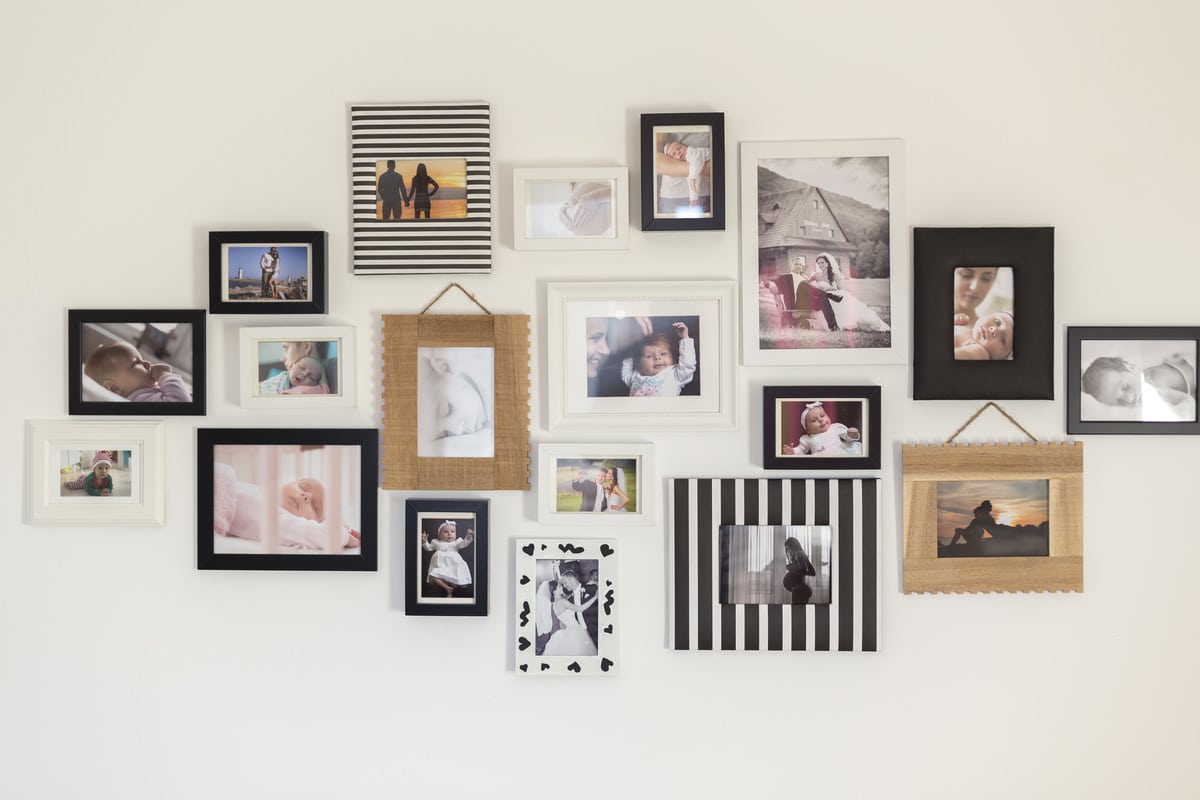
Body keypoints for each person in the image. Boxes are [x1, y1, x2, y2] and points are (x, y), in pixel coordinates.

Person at [212, 463, 361, 551]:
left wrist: (344, 537)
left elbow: (315, 533)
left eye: (315, 507)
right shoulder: (262, 493)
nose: (306, 496)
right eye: (302, 487)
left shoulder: (280, 519)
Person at [1081, 353, 1196, 416]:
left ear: (1130, 366)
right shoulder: (1148, 396)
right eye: (1119, 402)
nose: (1128, 399)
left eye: (1125, 387)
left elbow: (1189, 405)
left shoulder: (1155, 381)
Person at [83, 341, 191, 402]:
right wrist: (165, 375)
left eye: (141, 358)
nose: (147, 363)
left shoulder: (145, 393)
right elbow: (180, 402)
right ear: (114, 388)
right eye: (136, 363)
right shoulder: (141, 399)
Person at [813, 253, 890, 333]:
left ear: (827, 263)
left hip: (834, 295)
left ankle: (845, 324)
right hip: (823, 297)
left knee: (846, 306)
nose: (820, 265)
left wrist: (832, 288)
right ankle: (835, 324)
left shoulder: (835, 275)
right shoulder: (816, 275)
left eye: (822, 262)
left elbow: (839, 288)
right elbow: (807, 284)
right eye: (818, 263)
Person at [620, 322, 697, 397]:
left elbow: (688, 364)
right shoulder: (635, 376)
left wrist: (685, 338)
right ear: (640, 364)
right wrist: (631, 345)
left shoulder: (674, 374)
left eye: (663, 354)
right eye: (649, 356)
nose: (657, 357)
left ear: (673, 359)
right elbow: (627, 365)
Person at [543, 570, 599, 656]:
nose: (564, 586)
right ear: (554, 591)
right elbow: (579, 609)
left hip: (595, 629)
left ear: (572, 579)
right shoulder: (566, 600)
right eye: (561, 586)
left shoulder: (592, 588)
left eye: (565, 583)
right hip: (579, 633)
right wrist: (595, 597)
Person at [655, 133, 711, 215]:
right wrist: (700, 170)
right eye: (674, 153)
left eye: (680, 148)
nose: (678, 152)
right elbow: (654, 159)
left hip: (704, 194)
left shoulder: (693, 152)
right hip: (672, 196)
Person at [784, 401, 862, 456]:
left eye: (822, 416)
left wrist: (851, 434)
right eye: (814, 420)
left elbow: (847, 436)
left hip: (839, 454)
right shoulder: (807, 438)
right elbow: (800, 450)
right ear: (807, 429)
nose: (821, 420)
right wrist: (793, 451)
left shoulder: (834, 428)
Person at [421, 520, 474, 597]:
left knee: (455, 580)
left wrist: (468, 535)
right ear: (439, 535)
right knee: (433, 575)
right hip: (441, 566)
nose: (449, 534)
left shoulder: (456, 543)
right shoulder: (437, 542)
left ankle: (450, 591)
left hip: (453, 566)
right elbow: (428, 548)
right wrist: (424, 542)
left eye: (452, 531)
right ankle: (446, 588)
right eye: (446, 532)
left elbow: (465, 543)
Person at [258, 355, 330, 395]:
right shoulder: (282, 378)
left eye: (311, 378)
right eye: (301, 368)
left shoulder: (300, 390)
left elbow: (323, 390)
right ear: (291, 366)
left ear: (314, 385)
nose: (304, 374)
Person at [782, 537, 817, 604]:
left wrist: (790, 568)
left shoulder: (799, 554)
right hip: (798, 589)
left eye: (788, 548)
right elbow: (811, 572)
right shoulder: (801, 554)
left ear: (793, 546)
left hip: (799, 590)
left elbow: (802, 571)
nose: (787, 551)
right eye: (786, 549)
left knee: (796, 611)